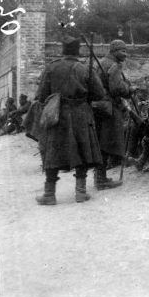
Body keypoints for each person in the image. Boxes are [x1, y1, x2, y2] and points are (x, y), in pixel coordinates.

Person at [34, 35, 106, 205]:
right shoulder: (84, 69)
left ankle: (49, 194)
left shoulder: (51, 68)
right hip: (81, 114)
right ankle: (80, 192)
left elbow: (41, 95)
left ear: (62, 50)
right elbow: (99, 94)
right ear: (78, 50)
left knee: (53, 152)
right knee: (82, 150)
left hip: (58, 115)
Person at [94, 39, 137, 189]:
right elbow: (117, 89)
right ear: (114, 51)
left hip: (98, 107)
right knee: (107, 142)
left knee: (100, 141)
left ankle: (99, 176)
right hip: (110, 108)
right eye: (122, 51)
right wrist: (129, 89)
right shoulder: (114, 65)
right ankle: (101, 179)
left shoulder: (101, 63)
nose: (125, 54)